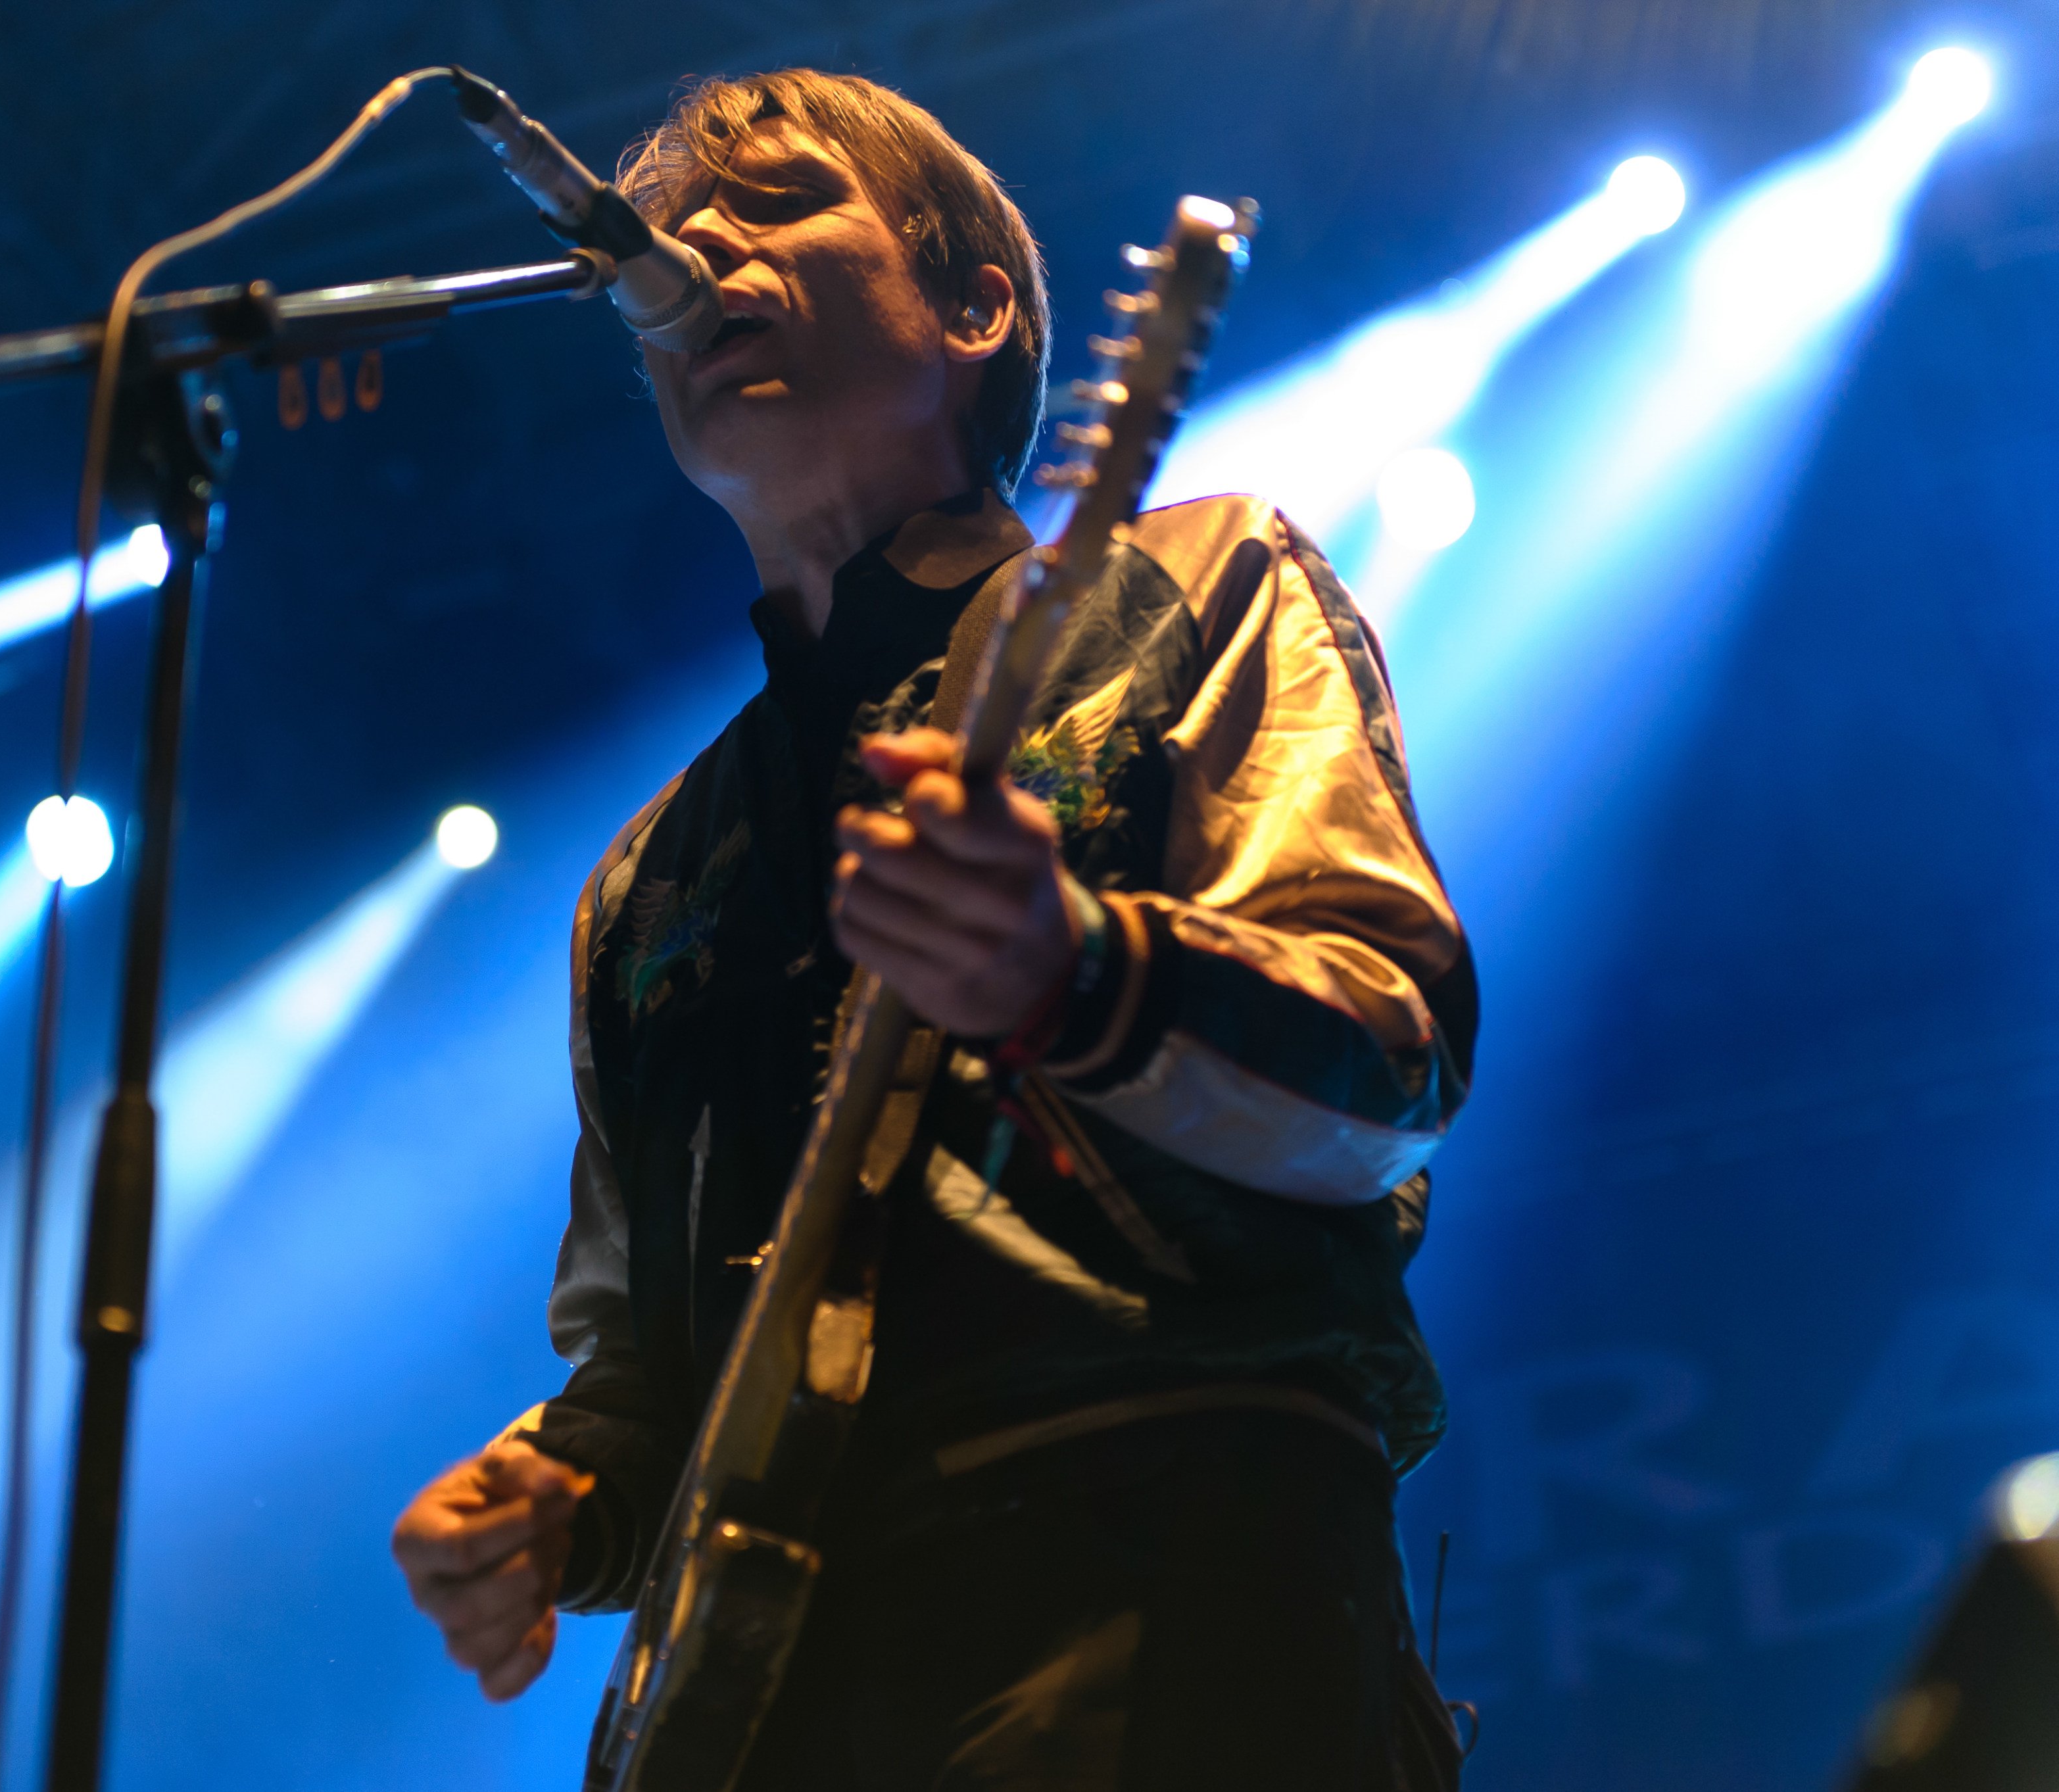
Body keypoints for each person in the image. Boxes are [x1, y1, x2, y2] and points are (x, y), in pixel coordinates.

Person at [392, 68, 1476, 1790]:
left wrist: (1076, 976)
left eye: (772, 202)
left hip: (1159, 1592)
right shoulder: (654, 874)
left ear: (975, 308)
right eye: (668, 232)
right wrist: (554, 1499)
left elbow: (1385, 1058)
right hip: (766, 1705)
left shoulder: (1196, 587)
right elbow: (646, 1363)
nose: (694, 250)